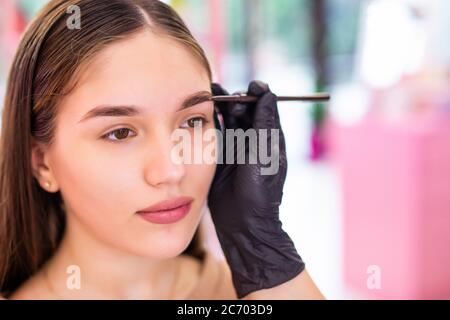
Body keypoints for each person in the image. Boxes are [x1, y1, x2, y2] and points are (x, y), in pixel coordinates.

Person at [0, 0, 324, 300]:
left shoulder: (263, 291)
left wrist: (260, 249)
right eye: (120, 132)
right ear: (42, 163)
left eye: (193, 122)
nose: (173, 169)